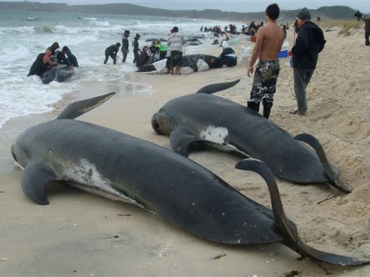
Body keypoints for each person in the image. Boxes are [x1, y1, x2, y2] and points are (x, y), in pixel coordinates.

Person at [246, 3, 285, 119]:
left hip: (265, 64)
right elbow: (276, 47)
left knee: (256, 94)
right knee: (269, 93)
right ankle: (266, 119)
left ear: (266, 14)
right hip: (275, 63)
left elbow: (257, 49)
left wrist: (250, 65)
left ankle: (254, 121)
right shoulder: (281, 32)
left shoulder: (263, 29)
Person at [290, 7, 326, 116]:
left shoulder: (304, 28)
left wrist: (294, 52)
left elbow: (302, 43)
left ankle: (301, 110)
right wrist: (314, 53)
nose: (297, 20)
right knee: (303, 85)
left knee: (299, 86)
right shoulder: (316, 28)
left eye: (298, 18)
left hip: (302, 61)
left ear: (302, 19)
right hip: (312, 61)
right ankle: (302, 107)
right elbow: (322, 43)